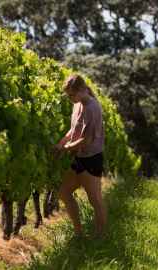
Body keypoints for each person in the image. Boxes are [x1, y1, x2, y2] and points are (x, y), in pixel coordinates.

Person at [54, 74, 107, 237]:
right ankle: (78, 233)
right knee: (63, 191)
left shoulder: (92, 107)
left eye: (72, 95)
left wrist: (65, 148)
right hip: (80, 157)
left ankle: (101, 236)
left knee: (95, 200)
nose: (70, 98)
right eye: (68, 95)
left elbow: (87, 139)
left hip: (91, 158)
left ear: (82, 90)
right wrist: (62, 143)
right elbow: (74, 129)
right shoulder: (78, 104)